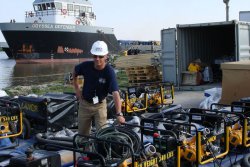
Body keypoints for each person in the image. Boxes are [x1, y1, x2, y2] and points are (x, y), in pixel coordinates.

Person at [73, 40, 125, 136]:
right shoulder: (85, 66)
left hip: (100, 106)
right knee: (82, 135)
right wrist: (77, 89)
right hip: (85, 104)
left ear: (106, 56)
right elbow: (75, 72)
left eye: (100, 56)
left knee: (102, 134)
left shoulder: (109, 72)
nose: (97, 59)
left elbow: (115, 93)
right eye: (95, 56)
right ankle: (85, 149)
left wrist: (119, 114)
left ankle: (99, 149)